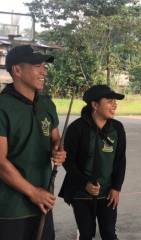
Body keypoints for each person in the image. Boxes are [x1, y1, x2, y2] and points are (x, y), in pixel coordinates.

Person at [0, 45, 66, 239]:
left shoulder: (46, 103)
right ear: (17, 70)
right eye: (37, 65)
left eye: (44, 66)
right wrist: (32, 192)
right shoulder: (3, 107)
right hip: (10, 208)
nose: (43, 71)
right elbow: (0, 162)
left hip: (42, 202)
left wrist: (59, 150)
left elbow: (56, 139)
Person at [58, 85, 126, 240]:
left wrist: (116, 188)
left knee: (109, 233)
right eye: (109, 101)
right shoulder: (76, 128)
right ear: (95, 105)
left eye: (115, 101)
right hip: (81, 193)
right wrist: (85, 184)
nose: (114, 104)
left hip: (108, 193)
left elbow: (120, 159)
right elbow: (68, 162)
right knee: (86, 233)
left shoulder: (117, 128)